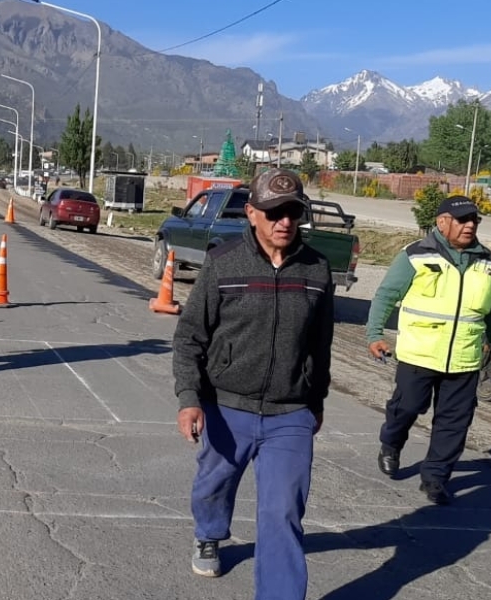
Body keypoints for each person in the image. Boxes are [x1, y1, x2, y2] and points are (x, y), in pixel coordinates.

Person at [172, 167, 333, 596]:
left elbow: (322, 342)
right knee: (214, 484)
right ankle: (209, 532)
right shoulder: (223, 262)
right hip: (226, 406)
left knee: (282, 513)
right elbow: (190, 336)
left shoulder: (317, 269)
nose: (285, 221)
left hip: (290, 413)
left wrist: (315, 399)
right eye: (274, 211)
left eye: (293, 212)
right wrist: (190, 398)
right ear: (252, 213)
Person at [366, 196, 491, 505]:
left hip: (464, 357)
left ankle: (435, 478)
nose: (470, 224)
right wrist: (374, 334)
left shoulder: (489, 262)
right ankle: (391, 443)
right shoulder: (415, 255)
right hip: (419, 354)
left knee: (455, 422)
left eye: (474, 220)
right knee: (407, 407)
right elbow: (386, 295)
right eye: (462, 219)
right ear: (442, 222)